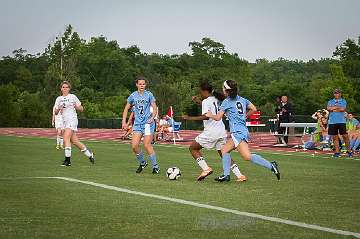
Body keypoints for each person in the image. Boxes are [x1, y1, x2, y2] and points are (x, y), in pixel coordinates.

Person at [206, 80, 280, 182]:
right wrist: (245, 116)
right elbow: (254, 109)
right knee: (224, 150)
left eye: (223, 88)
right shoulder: (242, 99)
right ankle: (226, 175)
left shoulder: (226, 102)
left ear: (226, 90)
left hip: (237, 132)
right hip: (241, 131)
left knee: (247, 156)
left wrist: (210, 115)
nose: (222, 89)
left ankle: (271, 165)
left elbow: (218, 117)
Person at [182, 82, 246, 182]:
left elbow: (206, 116)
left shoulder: (206, 101)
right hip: (221, 131)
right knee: (224, 154)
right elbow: (212, 109)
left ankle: (206, 169)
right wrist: (198, 101)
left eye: (200, 92)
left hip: (211, 132)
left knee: (193, 148)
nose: (200, 94)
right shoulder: (217, 98)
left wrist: (189, 118)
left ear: (204, 91)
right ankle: (240, 175)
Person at [122, 76, 160, 174]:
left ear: (145, 85)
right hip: (137, 124)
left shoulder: (149, 94)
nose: (142, 85)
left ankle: (156, 167)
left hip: (148, 124)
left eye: (143, 84)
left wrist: (152, 118)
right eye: (140, 84)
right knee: (134, 146)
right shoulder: (133, 96)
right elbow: (126, 108)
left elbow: (155, 107)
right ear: (136, 85)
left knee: (147, 145)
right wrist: (124, 122)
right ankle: (143, 163)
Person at [53, 81, 95, 166]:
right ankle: (90, 155)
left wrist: (77, 107)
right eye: (63, 87)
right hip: (65, 122)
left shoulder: (72, 97)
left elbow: (81, 108)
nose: (65, 89)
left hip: (72, 120)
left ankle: (67, 161)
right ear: (61, 89)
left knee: (65, 138)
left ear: (69, 88)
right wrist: (58, 109)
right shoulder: (58, 99)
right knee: (75, 141)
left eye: (66, 87)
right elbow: (56, 112)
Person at [327, 88, 352, 157]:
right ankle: (337, 152)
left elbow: (343, 109)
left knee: (345, 136)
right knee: (335, 137)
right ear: (333, 94)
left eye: (338, 93)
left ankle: (349, 151)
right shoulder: (330, 101)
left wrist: (334, 108)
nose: (336, 94)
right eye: (335, 93)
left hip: (341, 121)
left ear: (340, 94)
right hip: (332, 122)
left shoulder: (343, 101)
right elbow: (328, 108)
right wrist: (337, 108)